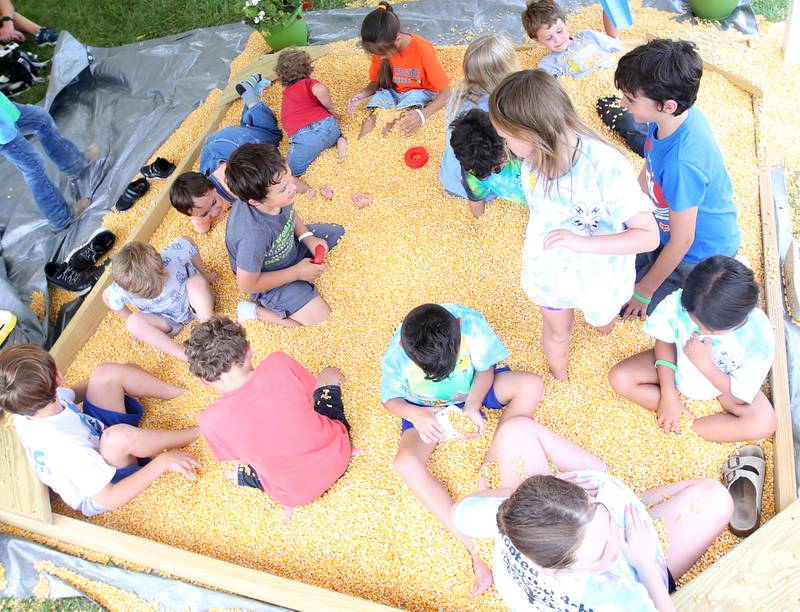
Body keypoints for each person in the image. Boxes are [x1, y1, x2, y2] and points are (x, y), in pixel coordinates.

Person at [453, 417, 733, 611]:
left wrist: (533, 495)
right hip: (640, 570)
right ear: (555, 571)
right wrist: (645, 565)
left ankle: (609, 504)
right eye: (601, 553)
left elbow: (461, 512)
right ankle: (637, 505)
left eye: (608, 521)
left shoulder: (511, 519)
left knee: (516, 430)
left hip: (551, 533)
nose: (618, 542)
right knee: (715, 498)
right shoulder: (613, 595)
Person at [488, 70, 659, 380]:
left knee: (602, 321)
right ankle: (561, 378)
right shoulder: (532, 162)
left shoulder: (605, 167)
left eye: (506, 137)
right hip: (552, 271)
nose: (505, 144)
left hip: (600, 275)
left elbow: (648, 236)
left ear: (530, 134)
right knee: (556, 333)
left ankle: (603, 326)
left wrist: (582, 243)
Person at [381, 303, 544, 596]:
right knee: (404, 463)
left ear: (458, 327)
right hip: (425, 408)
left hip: (473, 391)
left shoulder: (469, 322)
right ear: (405, 347)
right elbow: (390, 400)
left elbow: (484, 370)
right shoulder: (397, 353)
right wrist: (418, 416)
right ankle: (475, 548)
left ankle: (493, 464)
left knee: (531, 385)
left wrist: (472, 405)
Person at [616, 40, 741, 318]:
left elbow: (684, 239)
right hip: (669, 230)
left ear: (667, 105)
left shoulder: (681, 164)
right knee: (612, 260)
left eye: (632, 99)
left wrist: (644, 291)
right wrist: (626, 209)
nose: (624, 104)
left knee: (623, 303)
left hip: (698, 255)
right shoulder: (668, 122)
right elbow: (649, 167)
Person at [0, 344, 201, 516]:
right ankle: (197, 432)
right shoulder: (65, 448)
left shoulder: (31, 406)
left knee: (105, 373)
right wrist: (162, 463)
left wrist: (121, 375)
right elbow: (110, 498)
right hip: (105, 483)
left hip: (93, 436)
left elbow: (76, 392)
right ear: (59, 377)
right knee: (118, 438)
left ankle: (183, 395)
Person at [186, 317, 352, 522]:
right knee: (328, 374)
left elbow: (238, 457)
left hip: (295, 494)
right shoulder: (278, 361)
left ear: (205, 381)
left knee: (251, 465)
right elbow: (311, 398)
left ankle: (245, 478)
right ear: (249, 350)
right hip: (339, 454)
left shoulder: (209, 421)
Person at [609, 256, 776, 443]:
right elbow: (664, 341)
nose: (700, 332)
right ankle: (674, 409)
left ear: (740, 318)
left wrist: (704, 365)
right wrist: (668, 393)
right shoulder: (681, 301)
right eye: (695, 323)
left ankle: (690, 427)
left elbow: (740, 395)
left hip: (723, 387)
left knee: (764, 423)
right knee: (620, 378)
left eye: (711, 330)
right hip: (677, 365)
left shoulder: (758, 337)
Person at [224, 143, 344, 327]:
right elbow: (246, 284)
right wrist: (297, 273)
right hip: (270, 278)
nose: (293, 188)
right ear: (255, 201)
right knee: (321, 319)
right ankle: (255, 311)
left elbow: (290, 215)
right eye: (283, 189)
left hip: (288, 246)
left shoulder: (280, 192)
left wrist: (307, 237)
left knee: (338, 233)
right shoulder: (253, 235)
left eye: (290, 178)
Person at [521, 0, 649, 156]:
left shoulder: (588, 36)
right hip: (601, 97)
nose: (558, 40)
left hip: (622, 81)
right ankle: (652, 152)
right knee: (628, 121)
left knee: (650, 96)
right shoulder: (549, 64)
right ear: (537, 40)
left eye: (560, 31)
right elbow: (549, 93)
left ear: (566, 23)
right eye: (549, 38)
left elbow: (616, 46)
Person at [169, 73, 281, 235]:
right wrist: (201, 220)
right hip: (213, 153)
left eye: (214, 202)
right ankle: (249, 112)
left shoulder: (231, 184)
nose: (213, 213)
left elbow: (261, 173)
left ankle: (252, 99)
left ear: (213, 187)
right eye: (205, 214)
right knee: (249, 130)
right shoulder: (196, 210)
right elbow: (201, 229)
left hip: (228, 144)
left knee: (272, 137)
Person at [102, 237, 217, 361]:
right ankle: (186, 356)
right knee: (132, 322)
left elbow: (189, 242)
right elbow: (107, 298)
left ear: (161, 265)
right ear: (129, 290)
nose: (158, 293)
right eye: (147, 294)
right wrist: (130, 316)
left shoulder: (170, 257)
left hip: (192, 303)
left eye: (161, 284)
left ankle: (208, 329)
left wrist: (204, 274)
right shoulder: (123, 288)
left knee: (197, 282)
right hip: (166, 320)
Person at [347, 2, 451, 139]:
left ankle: (382, 148)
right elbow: (376, 82)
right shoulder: (380, 50)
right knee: (372, 120)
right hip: (392, 91)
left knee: (394, 125)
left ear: (398, 39)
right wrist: (363, 93)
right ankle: (360, 150)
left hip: (418, 92)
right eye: (376, 54)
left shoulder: (422, 50)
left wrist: (423, 114)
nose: (380, 57)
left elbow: (447, 93)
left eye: (383, 54)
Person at [439, 33, 520, 201]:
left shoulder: (460, 94)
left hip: (450, 175)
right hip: (478, 181)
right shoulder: (498, 108)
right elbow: (506, 149)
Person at [0, 90, 98, 229]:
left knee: (41, 119)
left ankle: (75, 164)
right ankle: (59, 216)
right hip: (2, 131)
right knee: (33, 166)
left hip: (3, 111)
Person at [276, 48, 346, 196]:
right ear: (308, 68)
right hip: (328, 127)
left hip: (304, 138)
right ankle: (342, 147)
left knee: (288, 172)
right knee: (340, 136)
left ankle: (308, 190)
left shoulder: (287, 93)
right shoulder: (309, 84)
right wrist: (330, 109)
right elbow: (320, 89)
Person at [449, 109, 526, 217]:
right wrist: (478, 222)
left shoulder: (522, 146)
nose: (498, 169)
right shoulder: (473, 170)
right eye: (495, 169)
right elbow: (476, 198)